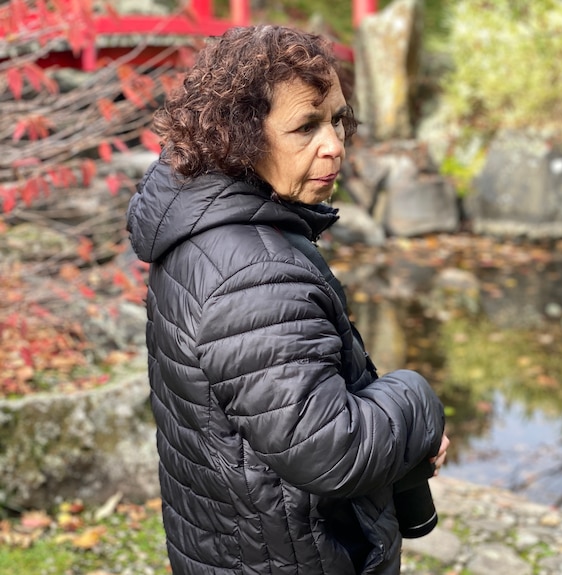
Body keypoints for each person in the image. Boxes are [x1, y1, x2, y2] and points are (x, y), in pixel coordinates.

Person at [125, 25, 449, 575]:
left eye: (337, 120)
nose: (334, 144)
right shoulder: (252, 273)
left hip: (239, 543)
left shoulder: (203, 229)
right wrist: (416, 401)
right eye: (306, 127)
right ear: (240, 135)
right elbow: (330, 448)